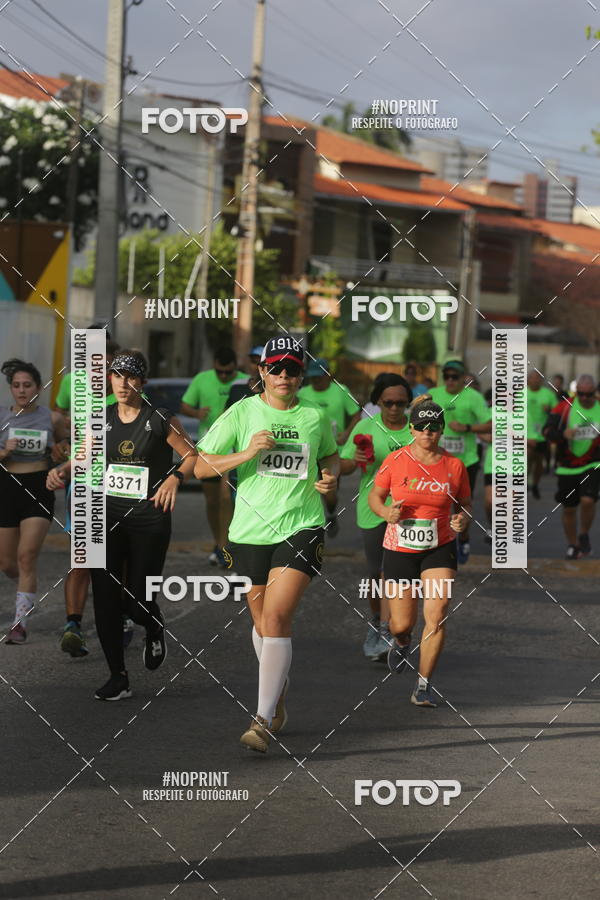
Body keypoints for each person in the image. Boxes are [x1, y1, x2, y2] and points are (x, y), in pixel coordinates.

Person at [195, 336, 339, 753]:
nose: (283, 376)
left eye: (292, 369)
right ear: (261, 372)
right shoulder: (242, 411)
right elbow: (200, 466)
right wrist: (245, 454)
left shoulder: (315, 416)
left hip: (302, 526)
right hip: (249, 533)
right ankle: (278, 689)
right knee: (262, 626)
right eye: (275, 368)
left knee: (276, 618)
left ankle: (260, 720)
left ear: (302, 375)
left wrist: (330, 480)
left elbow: (330, 456)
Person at [48, 350, 197, 699]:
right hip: (106, 516)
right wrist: (62, 470)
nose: (123, 383)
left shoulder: (160, 418)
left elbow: (192, 456)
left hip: (149, 519)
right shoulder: (101, 417)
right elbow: (83, 455)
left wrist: (174, 479)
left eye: (131, 377)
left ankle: (153, 623)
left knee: (137, 602)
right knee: (105, 598)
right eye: (117, 376)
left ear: (142, 383)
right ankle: (118, 676)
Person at [368, 396, 471, 707]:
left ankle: (423, 685)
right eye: (422, 426)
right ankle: (401, 640)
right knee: (401, 623)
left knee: (437, 615)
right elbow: (376, 496)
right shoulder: (395, 461)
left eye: (435, 426)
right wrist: (386, 513)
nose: (428, 432)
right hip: (400, 548)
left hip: (438, 548)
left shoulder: (454, 466)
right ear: (412, 429)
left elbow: (465, 503)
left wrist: (461, 518)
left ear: (441, 430)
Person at [340, 374, 413, 661]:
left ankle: (395, 630)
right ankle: (376, 624)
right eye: (388, 403)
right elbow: (344, 467)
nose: (394, 409)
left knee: (399, 575)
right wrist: (354, 460)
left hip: (411, 513)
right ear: (378, 402)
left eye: (400, 403)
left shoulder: (417, 430)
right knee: (376, 574)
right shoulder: (365, 427)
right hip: (373, 510)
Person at [57, 338, 121, 658]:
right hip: (84, 484)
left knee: (118, 561)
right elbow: (60, 420)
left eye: (107, 365)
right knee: (82, 559)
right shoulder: (75, 387)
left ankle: (121, 618)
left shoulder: (131, 394)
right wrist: (60, 448)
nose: (100, 371)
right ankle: (73, 626)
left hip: (123, 491)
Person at [0, 358, 67, 643]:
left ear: (38, 388)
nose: (22, 390)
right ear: (11, 389)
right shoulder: (1, 415)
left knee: (27, 556)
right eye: (16, 386)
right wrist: (4, 452)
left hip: (38, 488)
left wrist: (58, 452)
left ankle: (19, 624)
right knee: (7, 564)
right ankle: (25, 589)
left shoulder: (51, 418)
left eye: (27, 385)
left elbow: (65, 448)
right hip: (7, 487)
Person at [181, 348, 245, 567]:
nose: (224, 377)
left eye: (228, 373)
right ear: (214, 366)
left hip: (234, 449)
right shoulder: (202, 379)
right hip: (209, 448)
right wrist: (196, 413)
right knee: (212, 501)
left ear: (236, 367)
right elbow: (184, 405)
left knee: (228, 498)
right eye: (220, 372)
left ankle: (228, 545)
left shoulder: (244, 383)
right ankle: (218, 543)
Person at [428, 360, 491, 564]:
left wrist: (467, 428)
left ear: (464, 378)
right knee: (435, 501)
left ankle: (463, 538)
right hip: (436, 458)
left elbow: (491, 424)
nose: (450, 381)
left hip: (466, 460)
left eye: (455, 377)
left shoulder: (473, 397)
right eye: (446, 376)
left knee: (461, 504)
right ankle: (438, 542)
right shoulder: (433, 394)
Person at [299, 357, 360, 536]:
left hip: (333, 450)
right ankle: (307, 526)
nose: (316, 380)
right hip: (308, 450)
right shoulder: (303, 393)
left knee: (329, 492)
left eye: (319, 376)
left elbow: (356, 415)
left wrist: (347, 434)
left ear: (328, 374)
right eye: (313, 377)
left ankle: (331, 513)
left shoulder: (341, 391)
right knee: (306, 490)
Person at [544, 374, 600, 560]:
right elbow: (547, 431)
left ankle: (583, 533)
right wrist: (562, 434)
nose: (584, 398)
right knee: (569, 508)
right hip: (567, 465)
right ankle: (572, 544)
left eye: (588, 394)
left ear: (595, 392)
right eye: (581, 394)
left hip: (593, 462)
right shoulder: (565, 408)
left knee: (588, 500)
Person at [526, 370, 555, 499]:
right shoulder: (520, 394)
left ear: (541, 381)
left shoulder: (548, 394)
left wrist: (549, 410)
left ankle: (535, 484)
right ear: (527, 380)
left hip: (542, 435)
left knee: (538, 462)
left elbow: (557, 412)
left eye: (538, 379)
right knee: (527, 458)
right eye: (532, 378)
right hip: (525, 434)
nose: (535, 381)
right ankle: (525, 483)